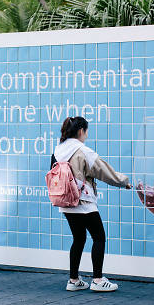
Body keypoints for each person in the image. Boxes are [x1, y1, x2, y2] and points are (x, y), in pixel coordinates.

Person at [52, 116, 131, 292]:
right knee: (99, 237)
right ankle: (98, 280)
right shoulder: (83, 151)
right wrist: (123, 182)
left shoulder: (58, 150)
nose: (87, 135)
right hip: (84, 201)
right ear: (81, 131)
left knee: (78, 239)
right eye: (86, 132)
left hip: (65, 201)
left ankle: (73, 280)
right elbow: (104, 171)